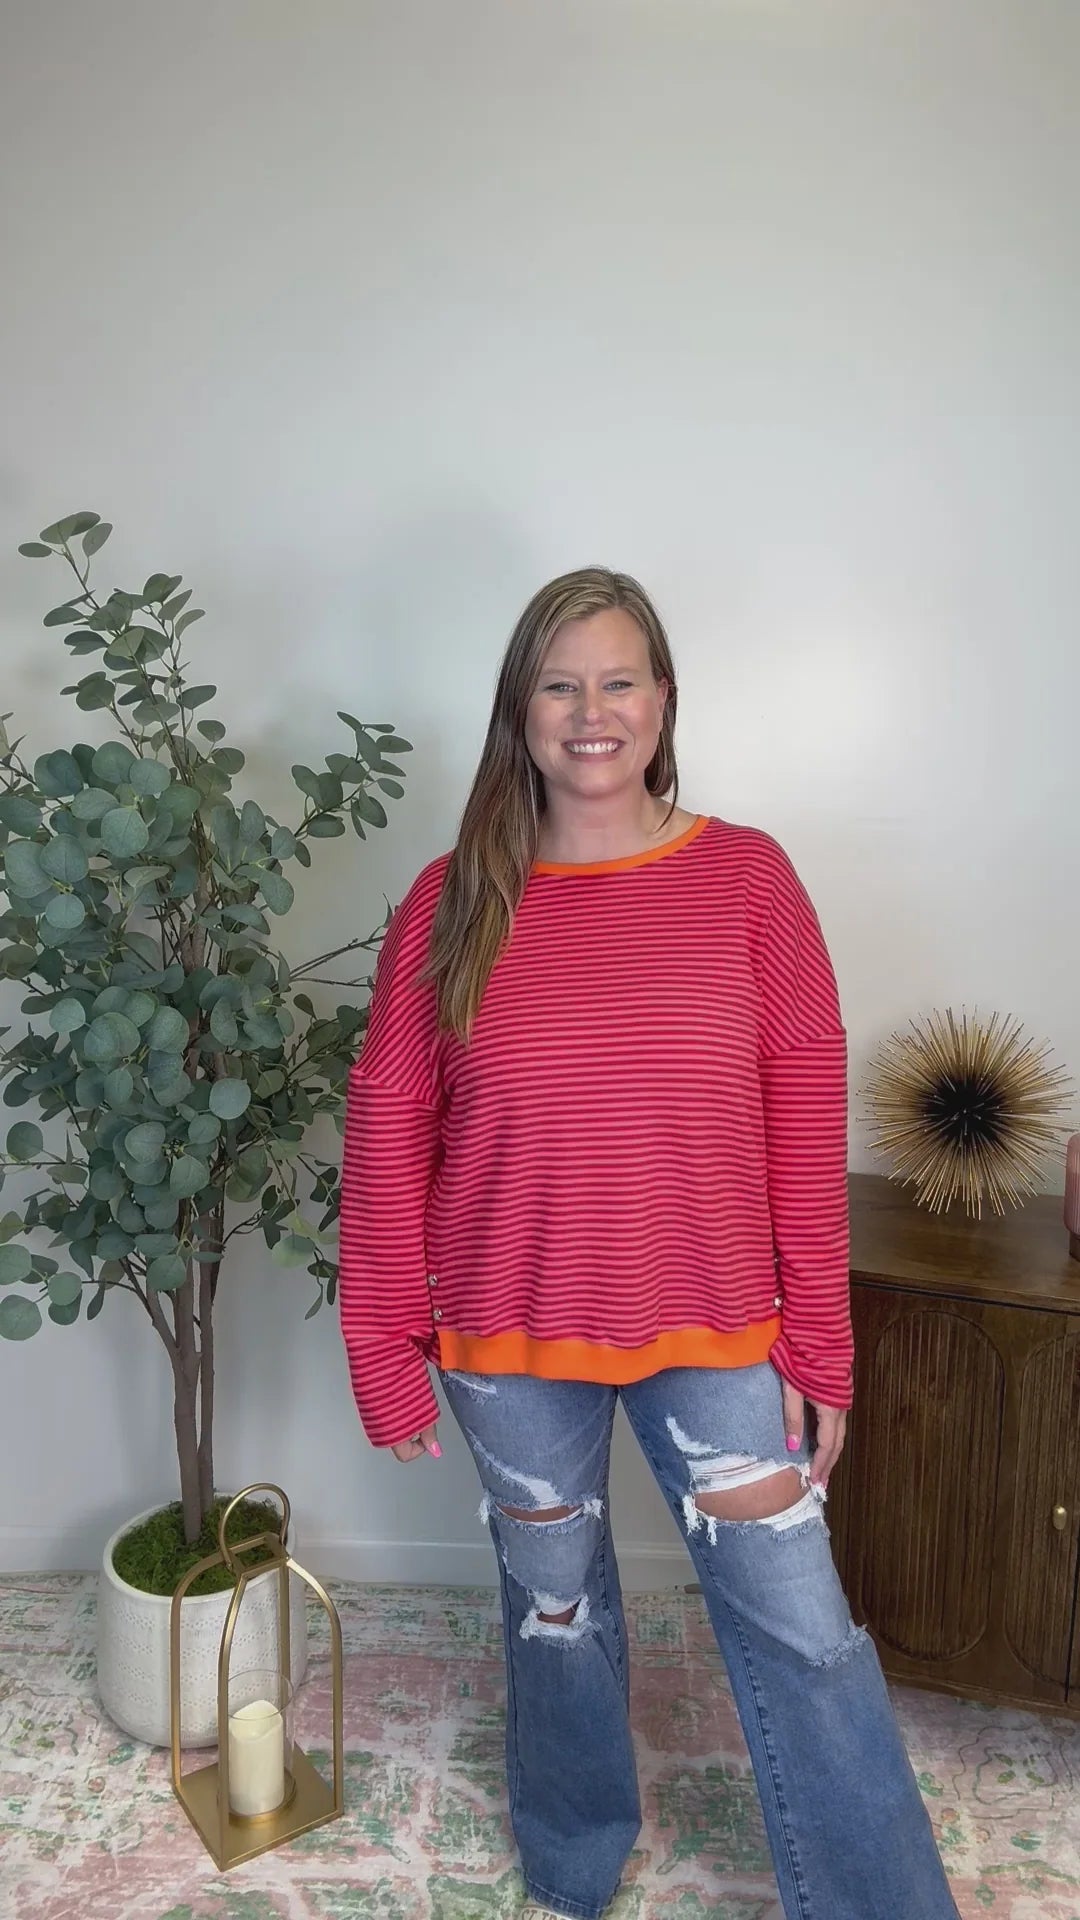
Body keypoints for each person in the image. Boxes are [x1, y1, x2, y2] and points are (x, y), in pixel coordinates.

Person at [338, 568, 959, 1920]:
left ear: (663, 700)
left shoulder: (749, 879)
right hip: (506, 1340)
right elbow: (388, 1133)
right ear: (520, 710)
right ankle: (572, 1864)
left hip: (721, 1331)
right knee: (556, 1628)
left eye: (618, 679)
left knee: (805, 1638)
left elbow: (803, 1118)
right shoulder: (448, 906)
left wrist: (823, 1347)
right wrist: (381, 1345)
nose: (591, 710)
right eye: (559, 683)